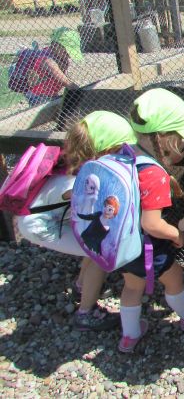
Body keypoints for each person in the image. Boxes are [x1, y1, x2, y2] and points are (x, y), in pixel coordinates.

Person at [119, 88, 184, 353]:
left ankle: (129, 335)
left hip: (123, 243)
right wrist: (176, 235)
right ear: (165, 138)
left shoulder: (124, 153)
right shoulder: (154, 174)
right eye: (181, 139)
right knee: (174, 278)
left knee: (131, 287)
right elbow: (152, 223)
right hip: (148, 246)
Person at [17, 110, 138, 331]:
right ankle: (86, 313)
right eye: (118, 151)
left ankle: (82, 285)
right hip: (42, 225)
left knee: (91, 240)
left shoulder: (73, 162)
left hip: (44, 216)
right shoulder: (79, 181)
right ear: (107, 150)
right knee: (99, 252)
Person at [25, 27, 81, 106]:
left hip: (51, 93)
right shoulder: (46, 58)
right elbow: (58, 75)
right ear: (55, 45)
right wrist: (72, 86)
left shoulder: (60, 57)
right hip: (38, 96)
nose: (68, 55)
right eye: (66, 51)